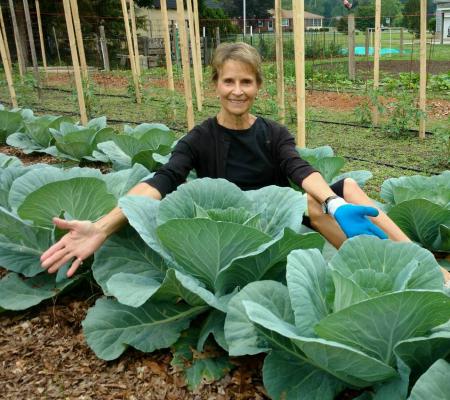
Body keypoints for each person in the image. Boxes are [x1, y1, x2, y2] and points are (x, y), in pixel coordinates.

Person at [40, 42, 449, 284]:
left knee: (348, 191)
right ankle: (376, 272)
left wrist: (335, 202)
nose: (238, 91)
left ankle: (421, 268)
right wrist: (105, 224)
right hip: (237, 228)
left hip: (279, 218)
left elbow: (299, 168)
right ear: (216, 84)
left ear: (258, 86)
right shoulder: (200, 138)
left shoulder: (272, 132)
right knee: (313, 204)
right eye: (229, 81)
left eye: (246, 82)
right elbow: (163, 179)